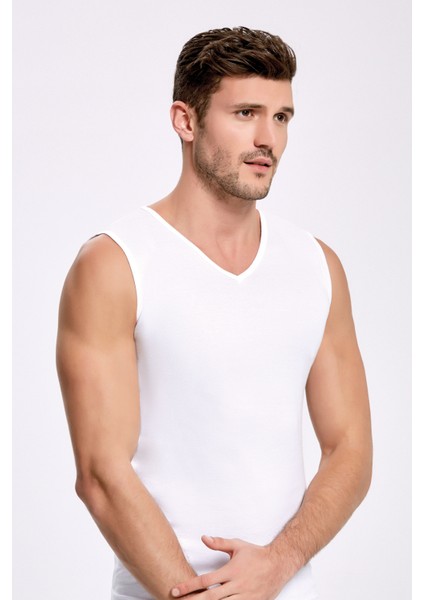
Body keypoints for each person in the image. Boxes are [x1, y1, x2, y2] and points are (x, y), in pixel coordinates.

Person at [56, 26, 373, 600]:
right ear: (186, 120)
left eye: (281, 117)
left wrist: (278, 563)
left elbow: (350, 448)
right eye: (246, 113)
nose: (267, 139)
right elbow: (101, 473)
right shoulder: (117, 264)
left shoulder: (317, 265)